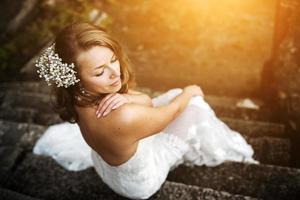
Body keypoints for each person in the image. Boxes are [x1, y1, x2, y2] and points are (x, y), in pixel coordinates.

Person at [33, 22, 258, 199]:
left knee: (174, 97)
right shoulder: (124, 115)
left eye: (113, 60)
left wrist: (122, 96)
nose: (115, 74)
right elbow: (166, 111)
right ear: (76, 79)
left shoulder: (76, 97)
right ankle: (229, 150)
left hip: (108, 169)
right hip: (140, 185)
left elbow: (145, 106)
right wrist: (190, 92)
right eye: (100, 72)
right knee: (193, 106)